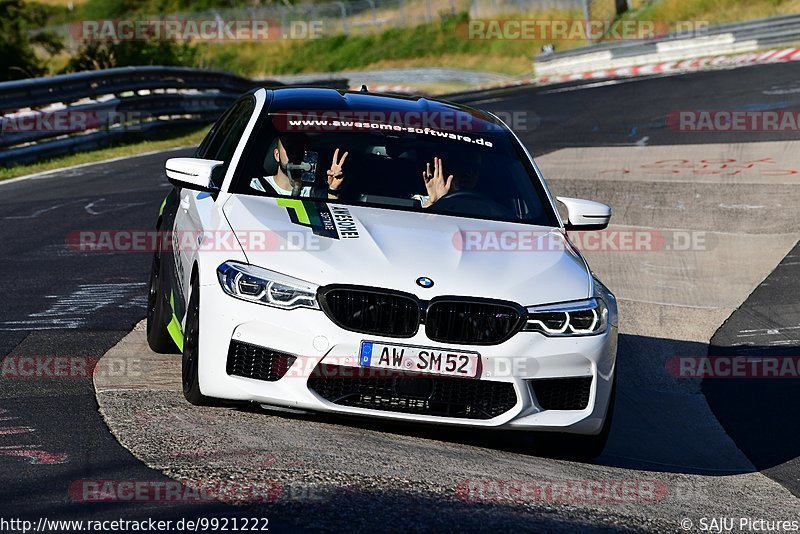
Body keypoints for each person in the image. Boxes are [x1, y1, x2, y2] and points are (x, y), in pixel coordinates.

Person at [251, 134, 347, 199]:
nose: (295, 155)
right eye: (290, 149)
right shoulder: (256, 187)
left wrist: (333, 189)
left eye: (300, 150)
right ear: (277, 155)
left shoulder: (313, 192)